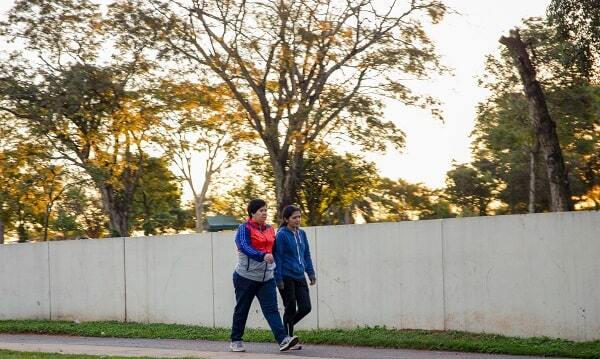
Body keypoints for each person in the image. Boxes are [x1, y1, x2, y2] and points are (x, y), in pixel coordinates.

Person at [230, 198, 299, 353]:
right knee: (242, 309)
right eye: (261, 210)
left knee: (272, 310)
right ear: (252, 213)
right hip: (245, 277)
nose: (264, 213)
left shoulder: (270, 229)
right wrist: (262, 255)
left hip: (266, 278)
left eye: (266, 210)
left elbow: (274, 250)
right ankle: (236, 340)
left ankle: (283, 340)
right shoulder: (244, 228)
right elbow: (244, 246)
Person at [274, 205, 316, 351]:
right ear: (286, 219)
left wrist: (310, 273)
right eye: (294, 217)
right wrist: (278, 279)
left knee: (305, 307)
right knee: (290, 307)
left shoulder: (302, 234)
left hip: (300, 276)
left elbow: (306, 255)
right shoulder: (281, 235)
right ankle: (288, 339)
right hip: (286, 276)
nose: (298, 219)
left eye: (299, 216)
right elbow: (277, 258)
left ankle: (286, 330)